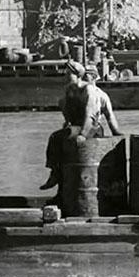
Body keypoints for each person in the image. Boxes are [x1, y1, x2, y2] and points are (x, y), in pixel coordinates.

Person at [39, 60, 91, 191]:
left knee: (57, 137)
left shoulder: (87, 89)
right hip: (76, 126)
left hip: (90, 127)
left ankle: (55, 174)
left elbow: (90, 115)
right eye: (66, 74)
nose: (66, 77)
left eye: (69, 74)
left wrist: (83, 135)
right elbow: (68, 115)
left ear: (78, 75)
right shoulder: (69, 90)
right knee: (58, 139)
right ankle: (57, 173)